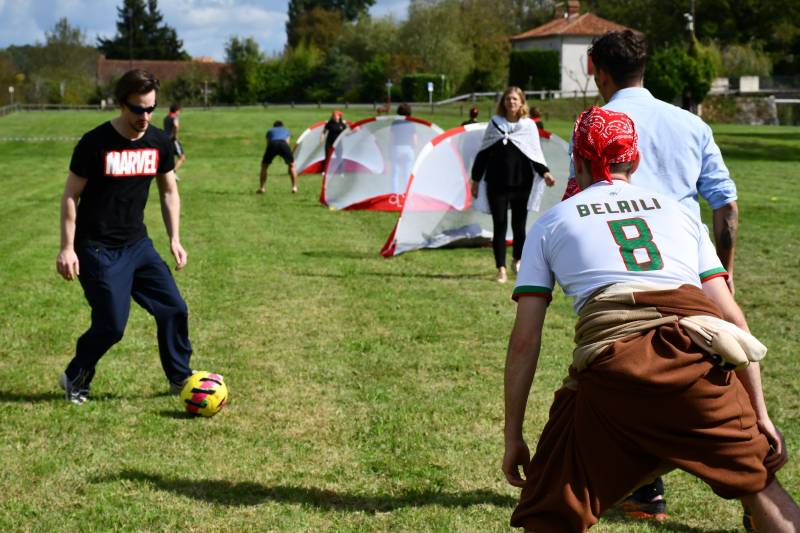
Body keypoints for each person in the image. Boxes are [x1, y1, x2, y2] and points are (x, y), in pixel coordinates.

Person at [503, 106, 799, 532]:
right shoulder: (680, 213)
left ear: (579, 161)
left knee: (550, 511)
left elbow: (525, 341)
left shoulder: (551, 223)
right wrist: (760, 413)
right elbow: (731, 316)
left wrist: (513, 435)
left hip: (616, 370)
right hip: (698, 360)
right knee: (759, 485)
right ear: (635, 161)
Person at [564, 29, 741, 518]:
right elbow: (724, 205)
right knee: (714, 374)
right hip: (688, 269)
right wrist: (722, 276)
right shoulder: (689, 123)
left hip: (619, 270)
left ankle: (643, 490)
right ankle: (754, 479)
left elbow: (578, 200)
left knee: (625, 378)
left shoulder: (592, 127)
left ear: (598, 70)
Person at [55, 69, 194, 404]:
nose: (144, 117)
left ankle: (180, 378)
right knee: (112, 325)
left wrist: (174, 238)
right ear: (121, 104)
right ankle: (76, 376)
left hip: (137, 244)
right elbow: (70, 195)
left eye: (150, 109)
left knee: (174, 308)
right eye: (137, 109)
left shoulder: (159, 141)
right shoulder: (94, 143)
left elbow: (168, 191)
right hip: (97, 248)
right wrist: (67, 248)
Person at [470, 87, 555, 283]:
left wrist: (545, 172)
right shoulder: (495, 124)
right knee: (499, 226)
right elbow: (483, 154)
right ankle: (500, 268)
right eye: (508, 99)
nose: (511, 102)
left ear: (522, 102)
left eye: (515, 99)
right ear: (503, 102)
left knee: (519, 226)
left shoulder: (528, 126)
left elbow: (534, 154)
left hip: (521, 183)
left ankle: (517, 260)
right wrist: (475, 180)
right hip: (496, 183)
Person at [258, 120, 298, 194]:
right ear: (282, 126)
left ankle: (262, 188)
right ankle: (294, 187)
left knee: (264, 166)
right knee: (292, 165)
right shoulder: (286, 130)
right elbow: (287, 142)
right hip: (283, 144)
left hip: (272, 144)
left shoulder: (270, 131)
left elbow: (268, 143)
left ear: (274, 126)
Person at [389, 103, 417, 195]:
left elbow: (392, 138)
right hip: (408, 149)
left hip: (396, 148)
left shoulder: (395, 123)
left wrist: (390, 149)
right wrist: (413, 148)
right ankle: (407, 194)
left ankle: (394, 194)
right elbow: (414, 140)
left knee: (395, 173)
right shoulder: (411, 123)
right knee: (407, 173)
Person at [163, 103, 185, 179]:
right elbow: (176, 126)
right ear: (176, 111)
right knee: (182, 157)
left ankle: (169, 174)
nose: (179, 113)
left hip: (166, 140)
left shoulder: (166, 118)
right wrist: (175, 136)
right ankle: (173, 174)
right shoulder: (175, 117)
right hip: (173, 140)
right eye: (179, 111)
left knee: (170, 159)